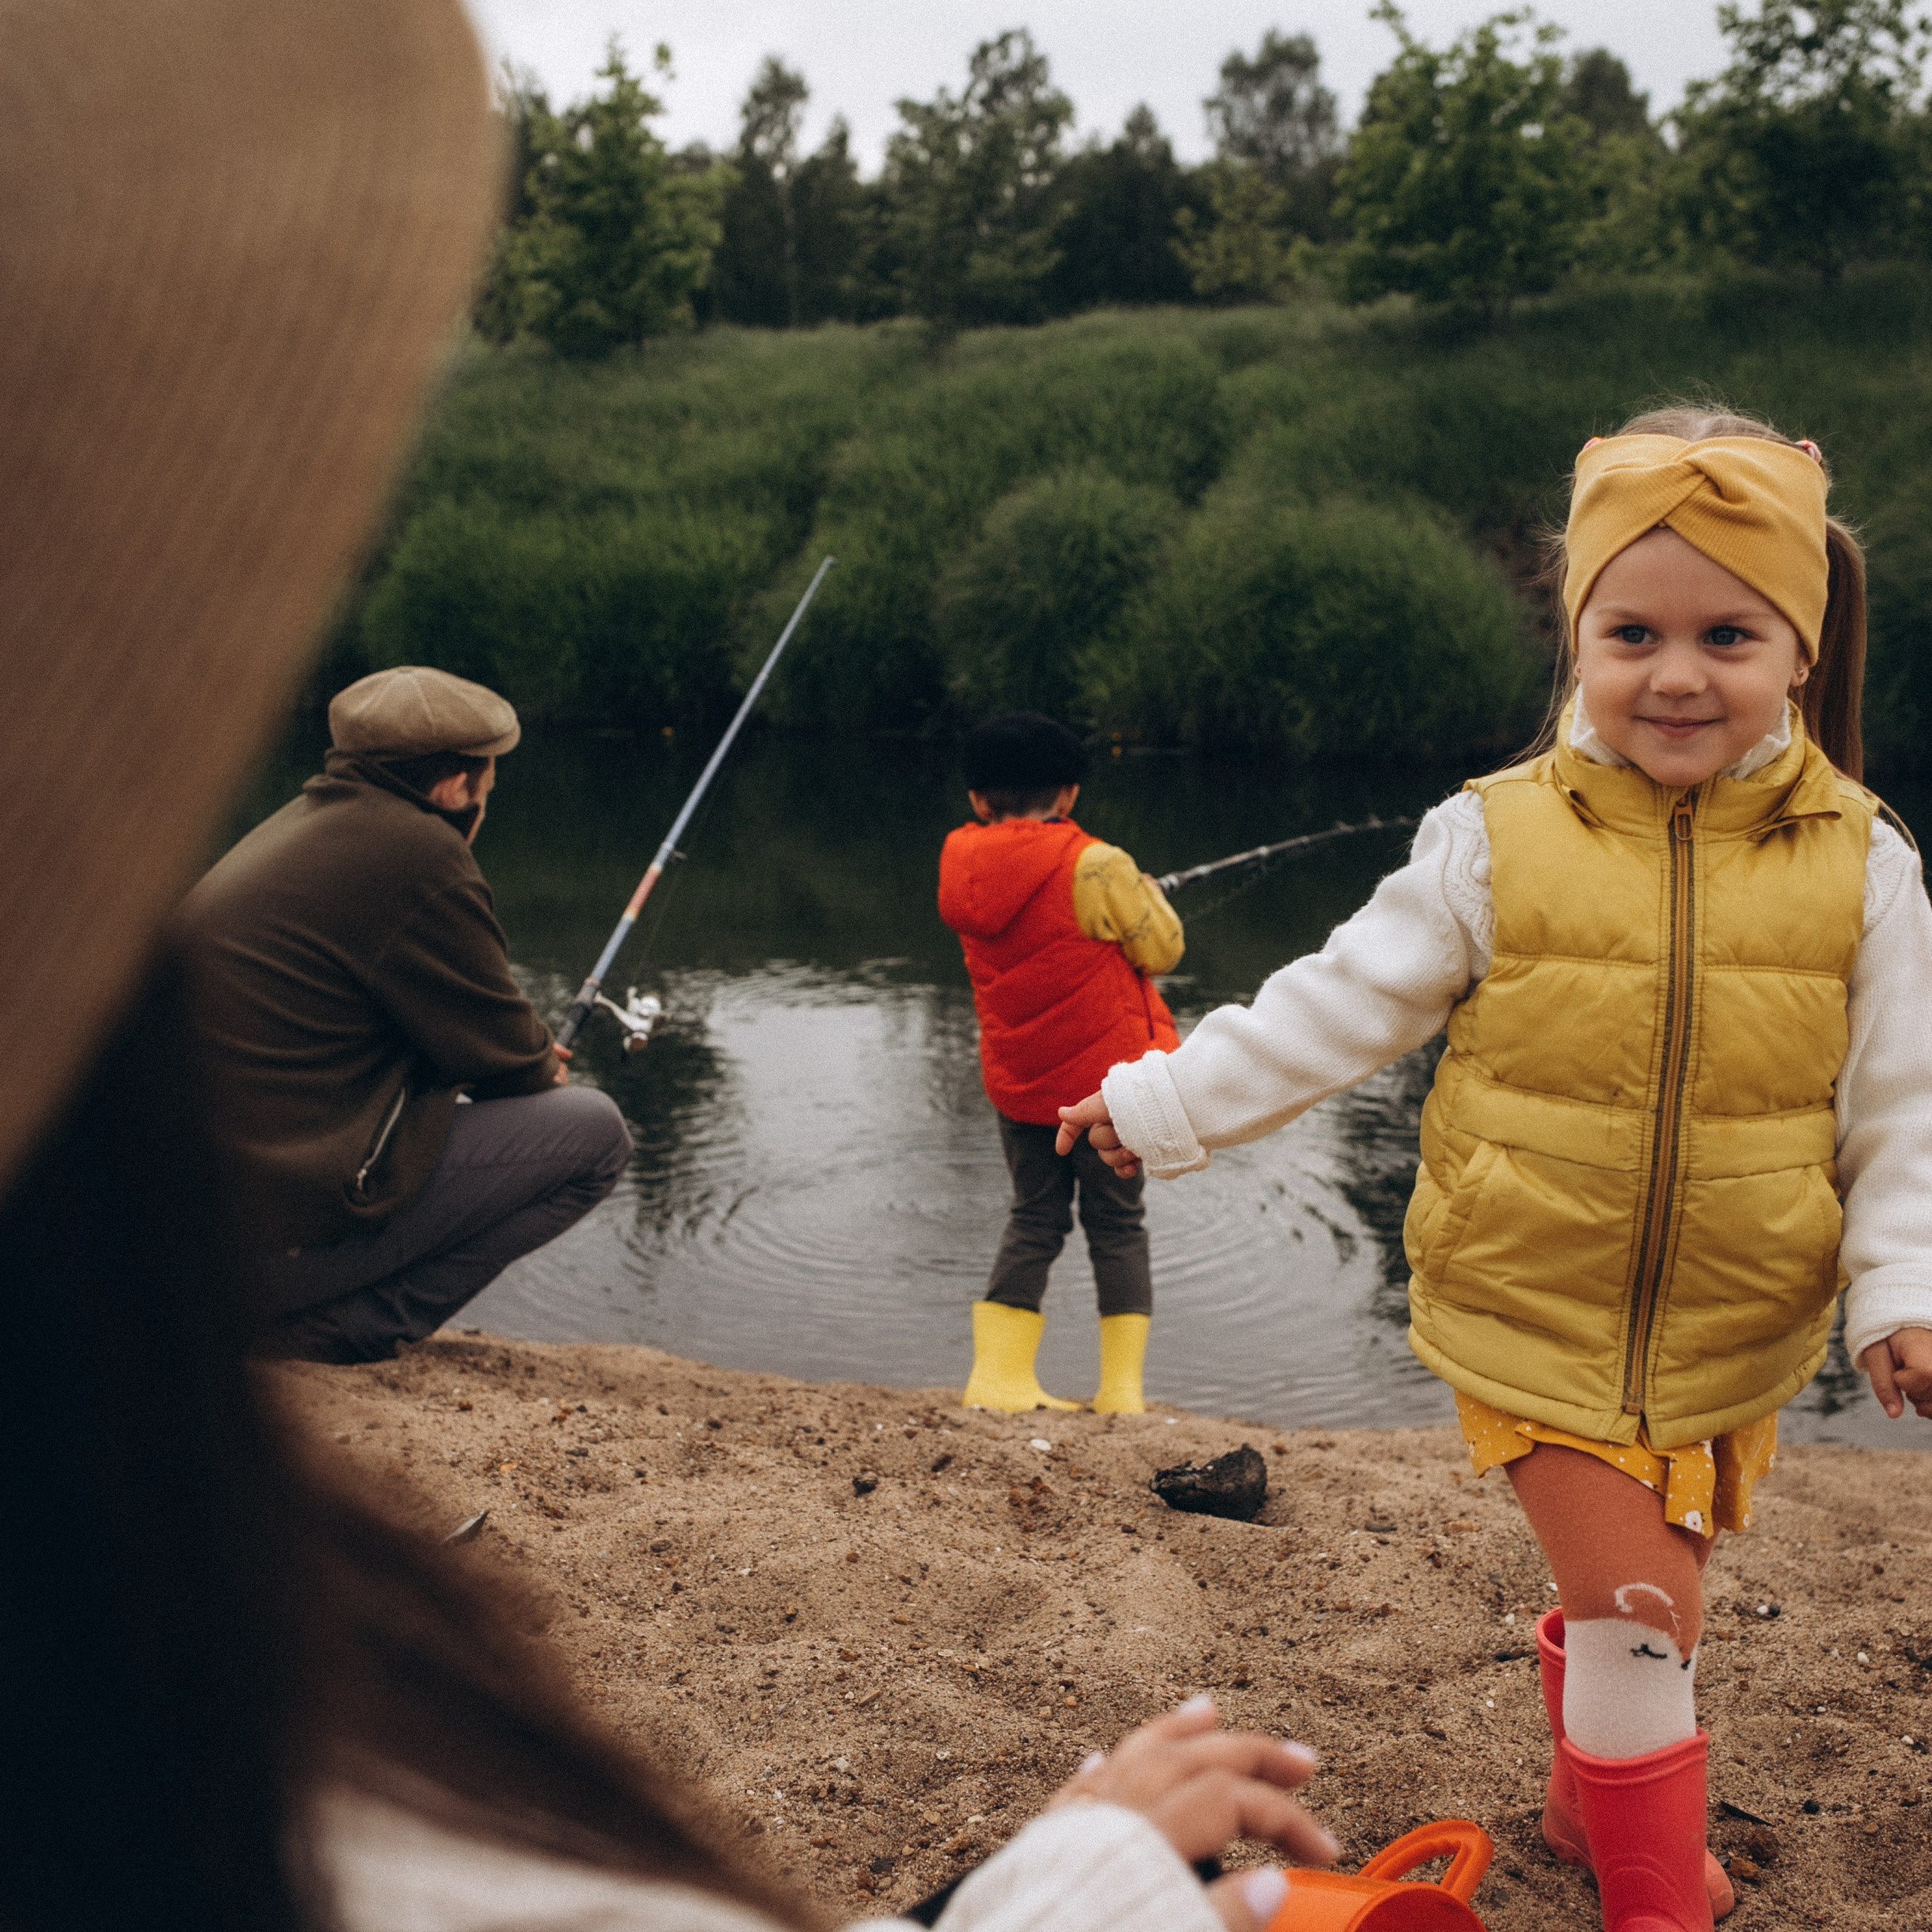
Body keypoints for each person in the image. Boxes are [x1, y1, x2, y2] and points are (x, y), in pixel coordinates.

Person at [0, 5, 1345, 1930]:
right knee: (787, 1170)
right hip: (1099, 1080)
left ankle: (988, 1389)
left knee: (1009, 1241)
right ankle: (1113, 1404)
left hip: (991, 1074)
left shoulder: (937, 856)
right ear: (458, 776)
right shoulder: (1065, 853)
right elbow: (1151, 937)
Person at [1059, 408, 1932, 1932]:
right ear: (1575, 638)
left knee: (1656, 1597)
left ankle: (1579, 1808)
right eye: (1630, 629)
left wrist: (1898, 1282)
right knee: (1642, 1615)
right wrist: (1165, 1098)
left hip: (1730, 1315)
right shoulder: (1490, 838)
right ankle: (1653, 1899)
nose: (1673, 671)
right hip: (1529, 1290)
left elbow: (1899, 1105)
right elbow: (1332, 1006)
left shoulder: (1861, 859)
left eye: (1726, 632)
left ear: (1800, 646)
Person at [177, 664, 633, 1363]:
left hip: (166, 1237)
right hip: (244, 1264)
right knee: (595, 1137)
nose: (484, 806)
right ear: (455, 787)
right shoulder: (418, 854)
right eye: (485, 788)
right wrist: (541, 1061)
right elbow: (517, 1069)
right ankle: (344, 1328)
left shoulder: (295, 827)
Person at [939, 712, 1183, 1414]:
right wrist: (1145, 893)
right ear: (1069, 795)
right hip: (1108, 1091)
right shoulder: (1097, 864)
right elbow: (1162, 950)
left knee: (1033, 1218)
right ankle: (1120, 1392)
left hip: (1019, 1081)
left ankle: (997, 1381)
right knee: (1118, 1227)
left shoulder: (959, 860)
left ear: (979, 800)